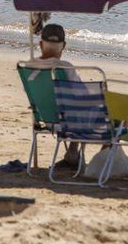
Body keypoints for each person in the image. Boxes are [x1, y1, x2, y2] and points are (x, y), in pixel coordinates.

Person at [24, 24, 82, 166]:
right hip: (70, 123)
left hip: (45, 119)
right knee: (116, 121)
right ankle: (75, 152)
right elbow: (81, 94)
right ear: (63, 46)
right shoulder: (65, 67)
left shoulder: (29, 67)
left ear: (40, 44)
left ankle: (73, 155)